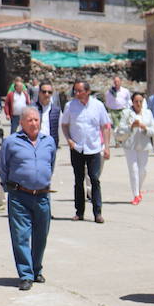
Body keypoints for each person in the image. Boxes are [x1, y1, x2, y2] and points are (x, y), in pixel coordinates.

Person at [0, 107, 58, 290]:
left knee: (41, 236)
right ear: (22, 123)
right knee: (21, 236)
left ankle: (36, 269)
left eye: (36, 120)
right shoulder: (10, 142)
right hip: (19, 195)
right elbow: (3, 167)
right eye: (30, 120)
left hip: (42, 196)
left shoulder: (49, 141)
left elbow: (51, 164)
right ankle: (25, 274)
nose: (34, 124)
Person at [60, 81, 112, 223]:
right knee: (78, 180)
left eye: (79, 91)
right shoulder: (70, 106)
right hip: (77, 148)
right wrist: (69, 140)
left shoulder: (98, 106)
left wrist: (107, 147)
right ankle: (79, 212)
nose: (77, 94)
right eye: (75, 91)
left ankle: (97, 212)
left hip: (93, 148)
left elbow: (105, 127)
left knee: (94, 179)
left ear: (87, 91)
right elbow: (64, 125)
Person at [121, 91, 154, 206]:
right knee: (133, 170)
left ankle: (139, 189)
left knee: (143, 171)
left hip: (144, 145)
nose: (138, 104)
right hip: (130, 145)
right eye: (136, 101)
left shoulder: (148, 113)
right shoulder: (126, 113)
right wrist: (131, 126)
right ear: (132, 102)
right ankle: (135, 194)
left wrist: (144, 128)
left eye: (140, 101)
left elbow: (153, 130)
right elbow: (120, 129)